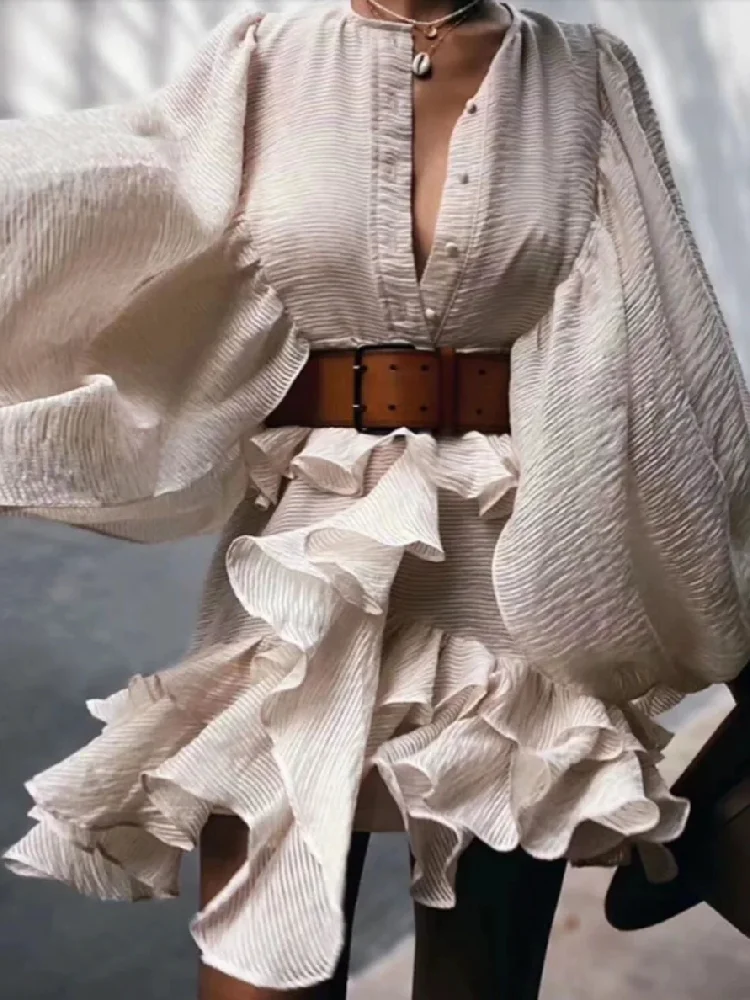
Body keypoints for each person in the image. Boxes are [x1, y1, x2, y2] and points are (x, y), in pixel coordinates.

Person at [1, 1, 749, 998]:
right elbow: (116, 196)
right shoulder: (264, 60)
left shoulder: (587, 73)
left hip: (511, 567)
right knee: (259, 961)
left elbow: (671, 338)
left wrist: (723, 583)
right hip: (307, 564)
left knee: (482, 979)